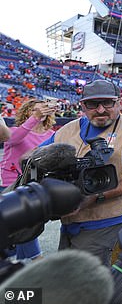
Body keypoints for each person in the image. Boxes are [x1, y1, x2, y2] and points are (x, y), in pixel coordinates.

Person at [39, 79, 122, 265]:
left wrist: (98, 195)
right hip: (69, 221)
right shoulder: (68, 130)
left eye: (107, 103)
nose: (101, 110)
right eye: (93, 104)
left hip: (107, 223)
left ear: (119, 103)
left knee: (89, 284)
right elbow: (36, 158)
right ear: (82, 105)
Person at [0, 99, 56, 260]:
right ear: (27, 113)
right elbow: (13, 139)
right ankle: (37, 259)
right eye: (34, 111)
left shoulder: (51, 135)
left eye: (42, 111)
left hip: (35, 183)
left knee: (26, 223)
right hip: (11, 183)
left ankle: (18, 257)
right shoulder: (15, 130)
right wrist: (35, 118)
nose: (39, 114)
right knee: (24, 222)